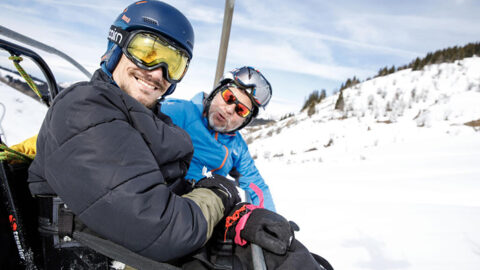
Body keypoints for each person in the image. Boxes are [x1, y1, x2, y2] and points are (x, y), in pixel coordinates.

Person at [24, 1, 330, 269]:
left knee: (289, 257)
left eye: (174, 63)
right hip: (128, 247)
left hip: (177, 223)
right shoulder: (99, 106)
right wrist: (219, 195)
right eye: (146, 51)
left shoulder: (172, 124)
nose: (158, 72)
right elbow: (156, 221)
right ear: (117, 44)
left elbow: (253, 183)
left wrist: (253, 216)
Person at [161, 66, 276, 211]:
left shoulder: (237, 146)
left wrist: (268, 217)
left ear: (245, 122)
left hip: (200, 211)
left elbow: (255, 184)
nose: (229, 110)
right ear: (216, 92)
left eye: (241, 110)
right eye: (229, 97)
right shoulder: (178, 111)